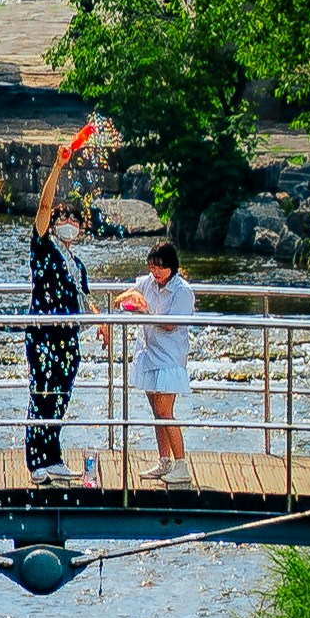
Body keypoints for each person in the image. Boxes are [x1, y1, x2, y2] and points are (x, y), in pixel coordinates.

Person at [25, 122, 109, 477]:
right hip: (44, 331)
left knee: (61, 396)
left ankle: (54, 456)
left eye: (74, 219)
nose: (70, 223)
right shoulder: (44, 247)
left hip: (68, 335)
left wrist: (101, 320)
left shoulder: (77, 263)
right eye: (65, 218)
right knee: (42, 392)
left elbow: (85, 297)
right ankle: (37, 461)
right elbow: (44, 205)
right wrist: (59, 166)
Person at [120, 238, 198, 485]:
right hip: (149, 353)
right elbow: (123, 297)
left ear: (172, 267)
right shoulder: (148, 283)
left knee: (166, 411)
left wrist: (145, 312)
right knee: (156, 412)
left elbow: (171, 323)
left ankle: (181, 464)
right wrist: (133, 298)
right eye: (152, 267)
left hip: (170, 358)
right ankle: (164, 460)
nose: (155, 272)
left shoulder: (182, 290)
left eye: (160, 267)